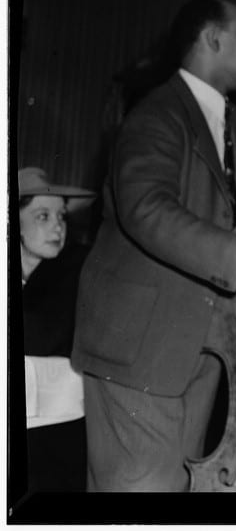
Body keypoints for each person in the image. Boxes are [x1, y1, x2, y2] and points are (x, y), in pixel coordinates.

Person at [71, 0, 236, 491]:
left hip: (195, 350)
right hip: (141, 350)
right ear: (212, 39)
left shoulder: (229, 125)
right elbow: (144, 208)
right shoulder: (157, 115)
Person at [18, 167, 95, 493]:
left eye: (61, 216)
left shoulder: (76, 267)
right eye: (42, 216)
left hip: (61, 431)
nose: (57, 227)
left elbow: (41, 336)